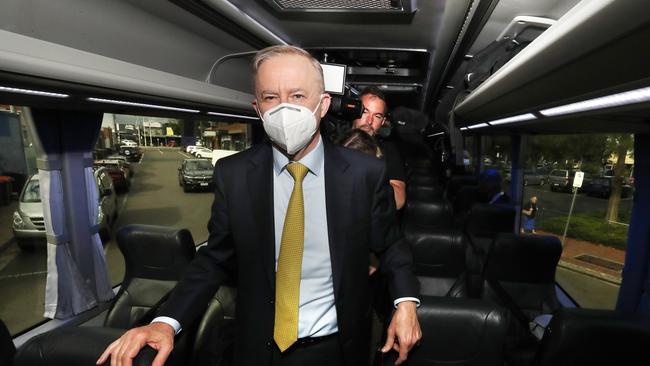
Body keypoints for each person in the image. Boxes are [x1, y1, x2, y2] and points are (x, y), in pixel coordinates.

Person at [97, 45, 421, 366]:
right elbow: (214, 260)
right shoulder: (234, 174)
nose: (284, 109)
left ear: (322, 105)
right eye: (270, 97)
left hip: (337, 347)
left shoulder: (364, 173)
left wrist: (405, 302)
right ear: (257, 108)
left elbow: (391, 245)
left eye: (297, 96)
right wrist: (164, 322)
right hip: (258, 347)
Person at [351, 87, 407, 210]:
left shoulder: (388, 150)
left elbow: (399, 199)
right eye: (365, 112)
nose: (369, 121)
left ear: (382, 122)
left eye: (377, 116)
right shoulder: (335, 142)